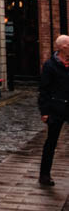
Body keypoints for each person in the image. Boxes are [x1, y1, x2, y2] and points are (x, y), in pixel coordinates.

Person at [38, 33, 69, 185]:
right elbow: (44, 90)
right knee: (51, 142)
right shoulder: (50, 65)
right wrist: (44, 112)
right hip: (56, 108)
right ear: (62, 47)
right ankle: (44, 175)